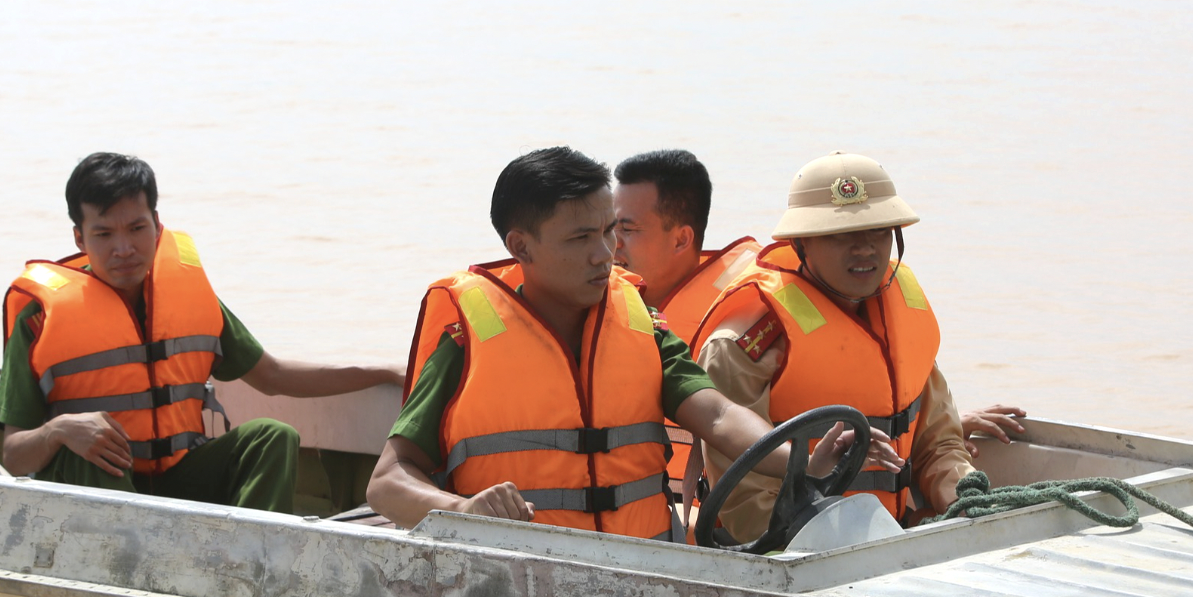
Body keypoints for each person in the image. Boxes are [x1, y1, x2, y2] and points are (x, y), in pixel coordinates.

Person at [366, 146, 899, 539]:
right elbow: (388, 481)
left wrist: (801, 458)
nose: (605, 254)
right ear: (519, 246)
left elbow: (715, 415)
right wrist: (462, 512)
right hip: (518, 577)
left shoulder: (641, 321)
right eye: (581, 238)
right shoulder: (466, 336)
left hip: (640, 571)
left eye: (609, 232)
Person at [0, 152, 401, 512]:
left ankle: (253, 567)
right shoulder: (37, 315)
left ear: (156, 225)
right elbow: (13, 455)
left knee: (272, 436)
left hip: (180, 478)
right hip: (99, 495)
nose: (124, 248)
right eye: (104, 234)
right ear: (80, 237)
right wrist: (59, 429)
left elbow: (274, 375)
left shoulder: (185, 295)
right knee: (84, 450)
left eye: (136, 228)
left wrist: (383, 372)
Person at [692, 151, 1004, 538]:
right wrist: (855, 542)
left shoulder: (902, 315)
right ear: (802, 243)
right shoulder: (744, 345)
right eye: (841, 235)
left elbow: (938, 446)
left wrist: (966, 500)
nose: (865, 249)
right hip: (790, 550)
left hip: (891, 536)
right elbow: (746, 504)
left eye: (879, 231)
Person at [611, 149, 760, 486]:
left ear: (681, 239)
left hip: (706, 524)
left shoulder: (742, 321)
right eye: (608, 229)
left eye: (627, 230)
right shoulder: (593, 307)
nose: (610, 246)